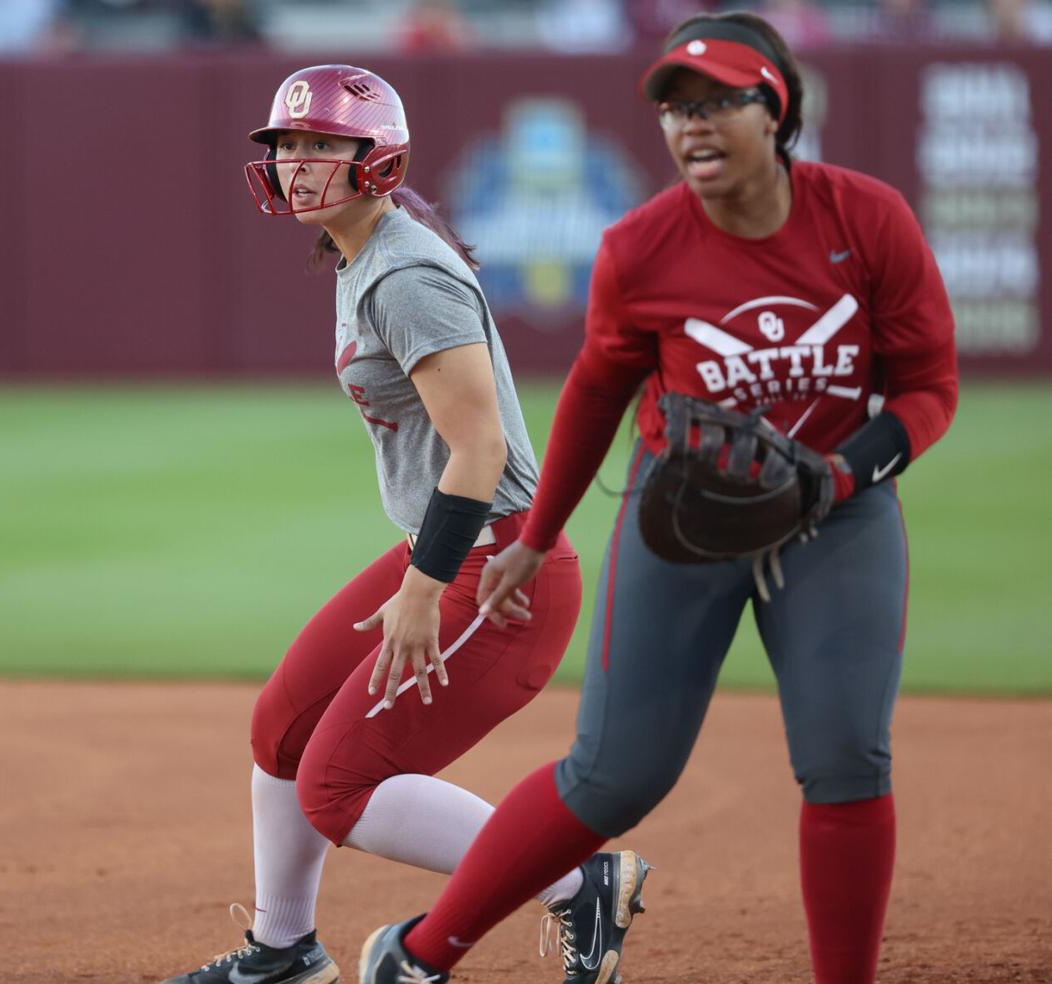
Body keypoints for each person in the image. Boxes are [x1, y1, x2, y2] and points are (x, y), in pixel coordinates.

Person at [357, 12, 958, 984]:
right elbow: (597, 392)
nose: (694, 125)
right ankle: (417, 957)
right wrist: (534, 536)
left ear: (780, 109)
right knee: (614, 776)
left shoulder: (867, 218)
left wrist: (843, 476)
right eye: (678, 107)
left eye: (722, 101)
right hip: (684, 521)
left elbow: (931, 386)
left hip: (837, 518)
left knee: (847, 760)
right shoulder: (643, 246)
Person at [159, 64, 649, 984]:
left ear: (374, 160)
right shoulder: (363, 254)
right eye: (286, 145)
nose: (296, 163)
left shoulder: (407, 272)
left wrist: (425, 591)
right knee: (281, 730)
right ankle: (282, 953)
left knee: (337, 789)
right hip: (451, 549)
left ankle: (577, 882)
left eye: (320, 146)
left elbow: (480, 451)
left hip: (498, 574)